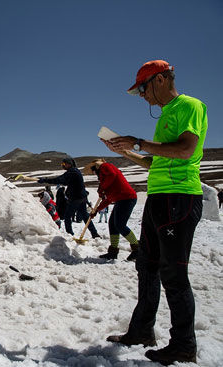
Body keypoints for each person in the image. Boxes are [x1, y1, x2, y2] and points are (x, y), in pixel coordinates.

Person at [103, 60, 207, 365]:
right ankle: (142, 330)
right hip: (159, 198)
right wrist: (127, 152)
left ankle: (184, 345)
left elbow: (185, 150)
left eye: (143, 89)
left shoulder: (190, 106)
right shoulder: (165, 117)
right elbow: (156, 162)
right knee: (147, 266)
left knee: (173, 273)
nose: (143, 96)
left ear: (161, 79)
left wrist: (139, 140)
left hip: (179, 198)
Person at [15, 158, 100, 238]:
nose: (63, 165)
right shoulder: (75, 171)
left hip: (76, 198)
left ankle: (69, 234)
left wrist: (44, 180)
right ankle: (94, 233)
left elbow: (59, 179)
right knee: (85, 216)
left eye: (64, 164)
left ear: (69, 164)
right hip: (82, 197)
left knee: (67, 216)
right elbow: (65, 181)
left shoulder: (72, 172)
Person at [84, 159, 139, 261]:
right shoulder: (106, 181)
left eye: (93, 170)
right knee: (112, 224)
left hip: (127, 198)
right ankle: (113, 252)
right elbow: (109, 199)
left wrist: (103, 187)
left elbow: (112, 174)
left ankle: (137, 249)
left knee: (120, 225)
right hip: (121, 200)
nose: (94, 173)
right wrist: (96, 210)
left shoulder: (105, 167)